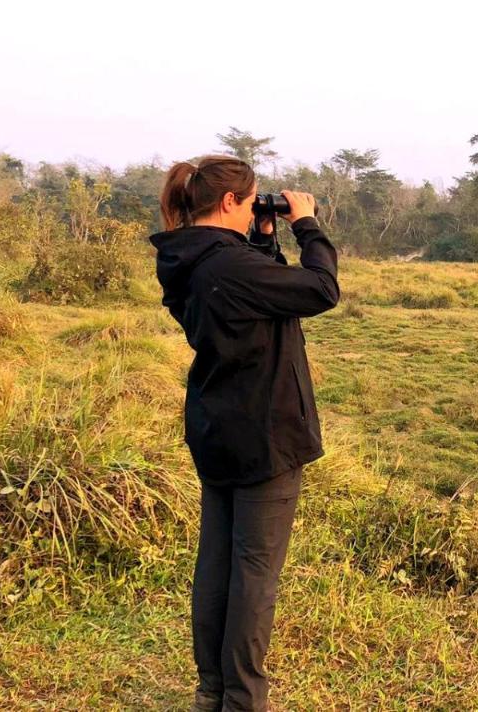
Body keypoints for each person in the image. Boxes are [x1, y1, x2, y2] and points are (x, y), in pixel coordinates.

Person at [148, 154, 339, 712]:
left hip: (216, 426)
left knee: (217, 564)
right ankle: (243, 701)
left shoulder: (191, 259)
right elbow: (319, 289)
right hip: (265, 435)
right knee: (255, 574)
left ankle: (213, 691)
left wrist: (262, 236)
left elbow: (263, 294)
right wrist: (307, 225)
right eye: (253, 200)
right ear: (230, 201)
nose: (261, 206)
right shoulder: (229, 266)